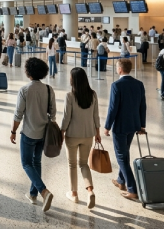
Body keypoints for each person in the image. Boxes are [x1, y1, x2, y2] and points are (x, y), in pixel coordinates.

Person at [10, 57, 55, 212]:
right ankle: (32, 194)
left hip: (29, 133)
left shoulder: (24, 90)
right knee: (37, 162)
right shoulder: (49, 89)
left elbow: (18, 114)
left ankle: (44, 191)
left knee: (26, 163)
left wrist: (13, 131)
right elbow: (53, 112)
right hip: (43, 134)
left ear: (29, 72)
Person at [104, 59, 146, 201]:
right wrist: (142, 125)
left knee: (121, 157)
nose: (116, 69)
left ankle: (132, 189)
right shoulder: (139, 84)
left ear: (120, 69)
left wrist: (107, 126)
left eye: (116, 67)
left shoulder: (117, 85)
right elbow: (142, 106)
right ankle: (120, 181)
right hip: (134, 125)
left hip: (120, 126)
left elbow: (113, 108)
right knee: (125, 152)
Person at [60, 67, 100, 209]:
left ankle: (74, 194)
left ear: (74, 80)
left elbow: (66, 117)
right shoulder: (93, 95)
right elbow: (96, 116)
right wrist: (98, 133)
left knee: (72, 165)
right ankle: (90, 191)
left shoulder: (70, 96)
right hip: (88, 135)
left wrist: (62, 132)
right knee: (84, 164)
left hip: (72, 135)